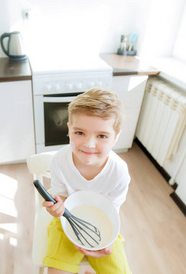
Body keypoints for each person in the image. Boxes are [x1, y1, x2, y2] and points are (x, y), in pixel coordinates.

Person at [42, 87, 132, 274]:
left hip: (101, 224)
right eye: (80, 133)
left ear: (115, 137)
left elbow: (112, 210)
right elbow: (61, 197)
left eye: (101, 136)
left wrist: (104, 243)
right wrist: (57, 209)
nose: (89, 144)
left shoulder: (119, 172)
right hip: (66, 221)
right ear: (69, 129)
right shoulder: (59, 161)